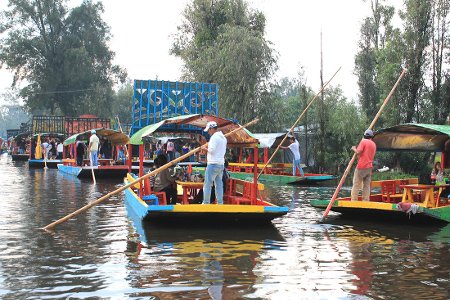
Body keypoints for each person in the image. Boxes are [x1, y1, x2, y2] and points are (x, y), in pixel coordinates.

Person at [202, 121, 227, 205]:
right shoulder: (223, 138)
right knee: (219, 184)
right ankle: (220, 203)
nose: (208, 132)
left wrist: (203, 148)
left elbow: (211, 150)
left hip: (213, 164)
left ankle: (206, 202)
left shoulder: (214, 138)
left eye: (209, 130)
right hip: (221, 164)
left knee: (207, 184)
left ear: (212, 129)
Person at [351, 129, 377, 201]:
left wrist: (354, 148)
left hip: (361, 166)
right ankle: (366, 200)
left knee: (356, 184)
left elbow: (358, 152)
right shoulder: (374, 144)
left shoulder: (363, 141)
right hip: (369, 168)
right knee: (366, 186)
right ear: (371, 136)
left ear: (365, 135)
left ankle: (353, 201)